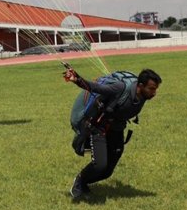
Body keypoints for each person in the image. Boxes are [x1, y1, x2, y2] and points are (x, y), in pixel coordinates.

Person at [63, 65, 162, 200]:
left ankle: (84, 182)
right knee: (100, 165)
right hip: (99, 127)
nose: (154, 93)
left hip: (116, 128)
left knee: (107, 171)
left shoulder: (143, 95)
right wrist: (77, 79)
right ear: (140, 86)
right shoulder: (120, 88)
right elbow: (95, 87)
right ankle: (79, 181)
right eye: (151, 89)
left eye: (155, 89)